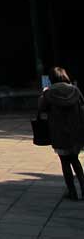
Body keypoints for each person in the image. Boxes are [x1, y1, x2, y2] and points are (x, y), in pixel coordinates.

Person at [38, 66, 84, 200]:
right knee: (75, 160)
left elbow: (41, 110)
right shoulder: (75, 90)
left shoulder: (49, 93)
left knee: (65, 162)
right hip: (76, 130)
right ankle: (83, 187)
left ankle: (72, 191)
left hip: (58, 132)